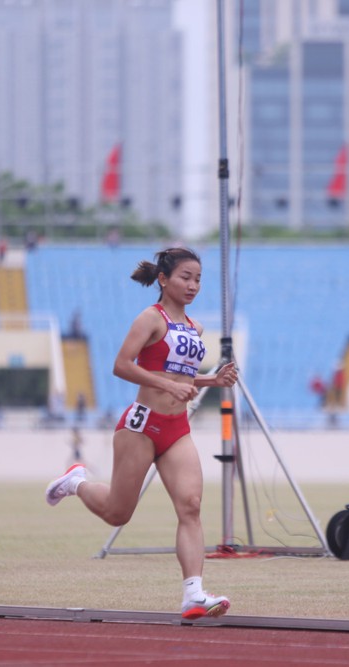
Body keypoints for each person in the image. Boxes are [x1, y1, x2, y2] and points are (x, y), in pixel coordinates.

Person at [45, 247, 238, 620]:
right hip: (142, 424)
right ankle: (76, 482)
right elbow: (121, 365)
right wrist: (169, 387)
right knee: (118, 514)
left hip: (176, 428)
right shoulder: (151, 318)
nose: (193, 285)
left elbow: (179, 377)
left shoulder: (195, 328)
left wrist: (210, 380)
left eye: (198, 278)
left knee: (191, 506)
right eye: (185, 277)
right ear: (163, 279)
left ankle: (193, 594)